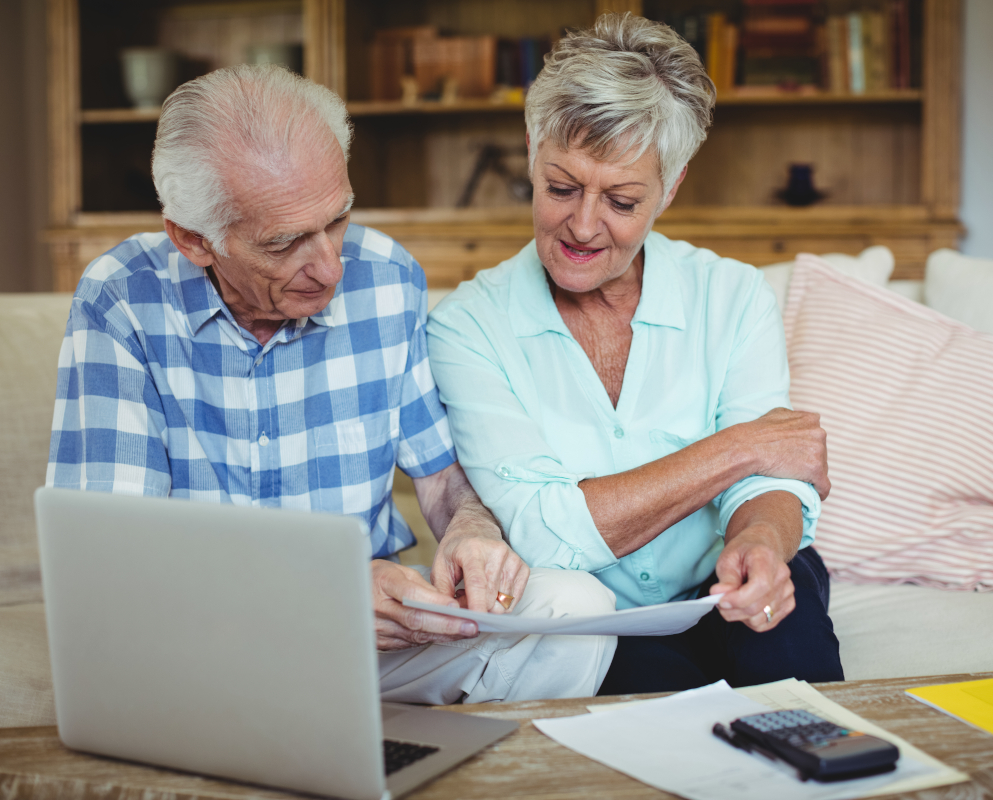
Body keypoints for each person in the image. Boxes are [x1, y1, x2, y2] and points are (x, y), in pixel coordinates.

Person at [45, 64, 617, 705]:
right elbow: (111, 554)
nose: (330, 267)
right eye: (286, 242)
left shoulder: (387, 276)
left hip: (365, 645)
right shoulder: (121, 299)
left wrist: (470, 530)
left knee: (575, 610)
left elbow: (441, 478)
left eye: (338, 218)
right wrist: (324, 594)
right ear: (193, 239)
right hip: (206, 638)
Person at [426, 13, 843, 694]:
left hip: (725, 578)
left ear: (670, 189)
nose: (584, 226)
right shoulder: (467, 327)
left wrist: (761, 542)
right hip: (600, 619)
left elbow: (773, 482)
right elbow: (542, 535)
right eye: (561, 187)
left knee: (794, 684)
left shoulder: (732, 295)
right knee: (663, 709)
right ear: (533, 151)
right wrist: (739, 447)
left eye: (621, 200)